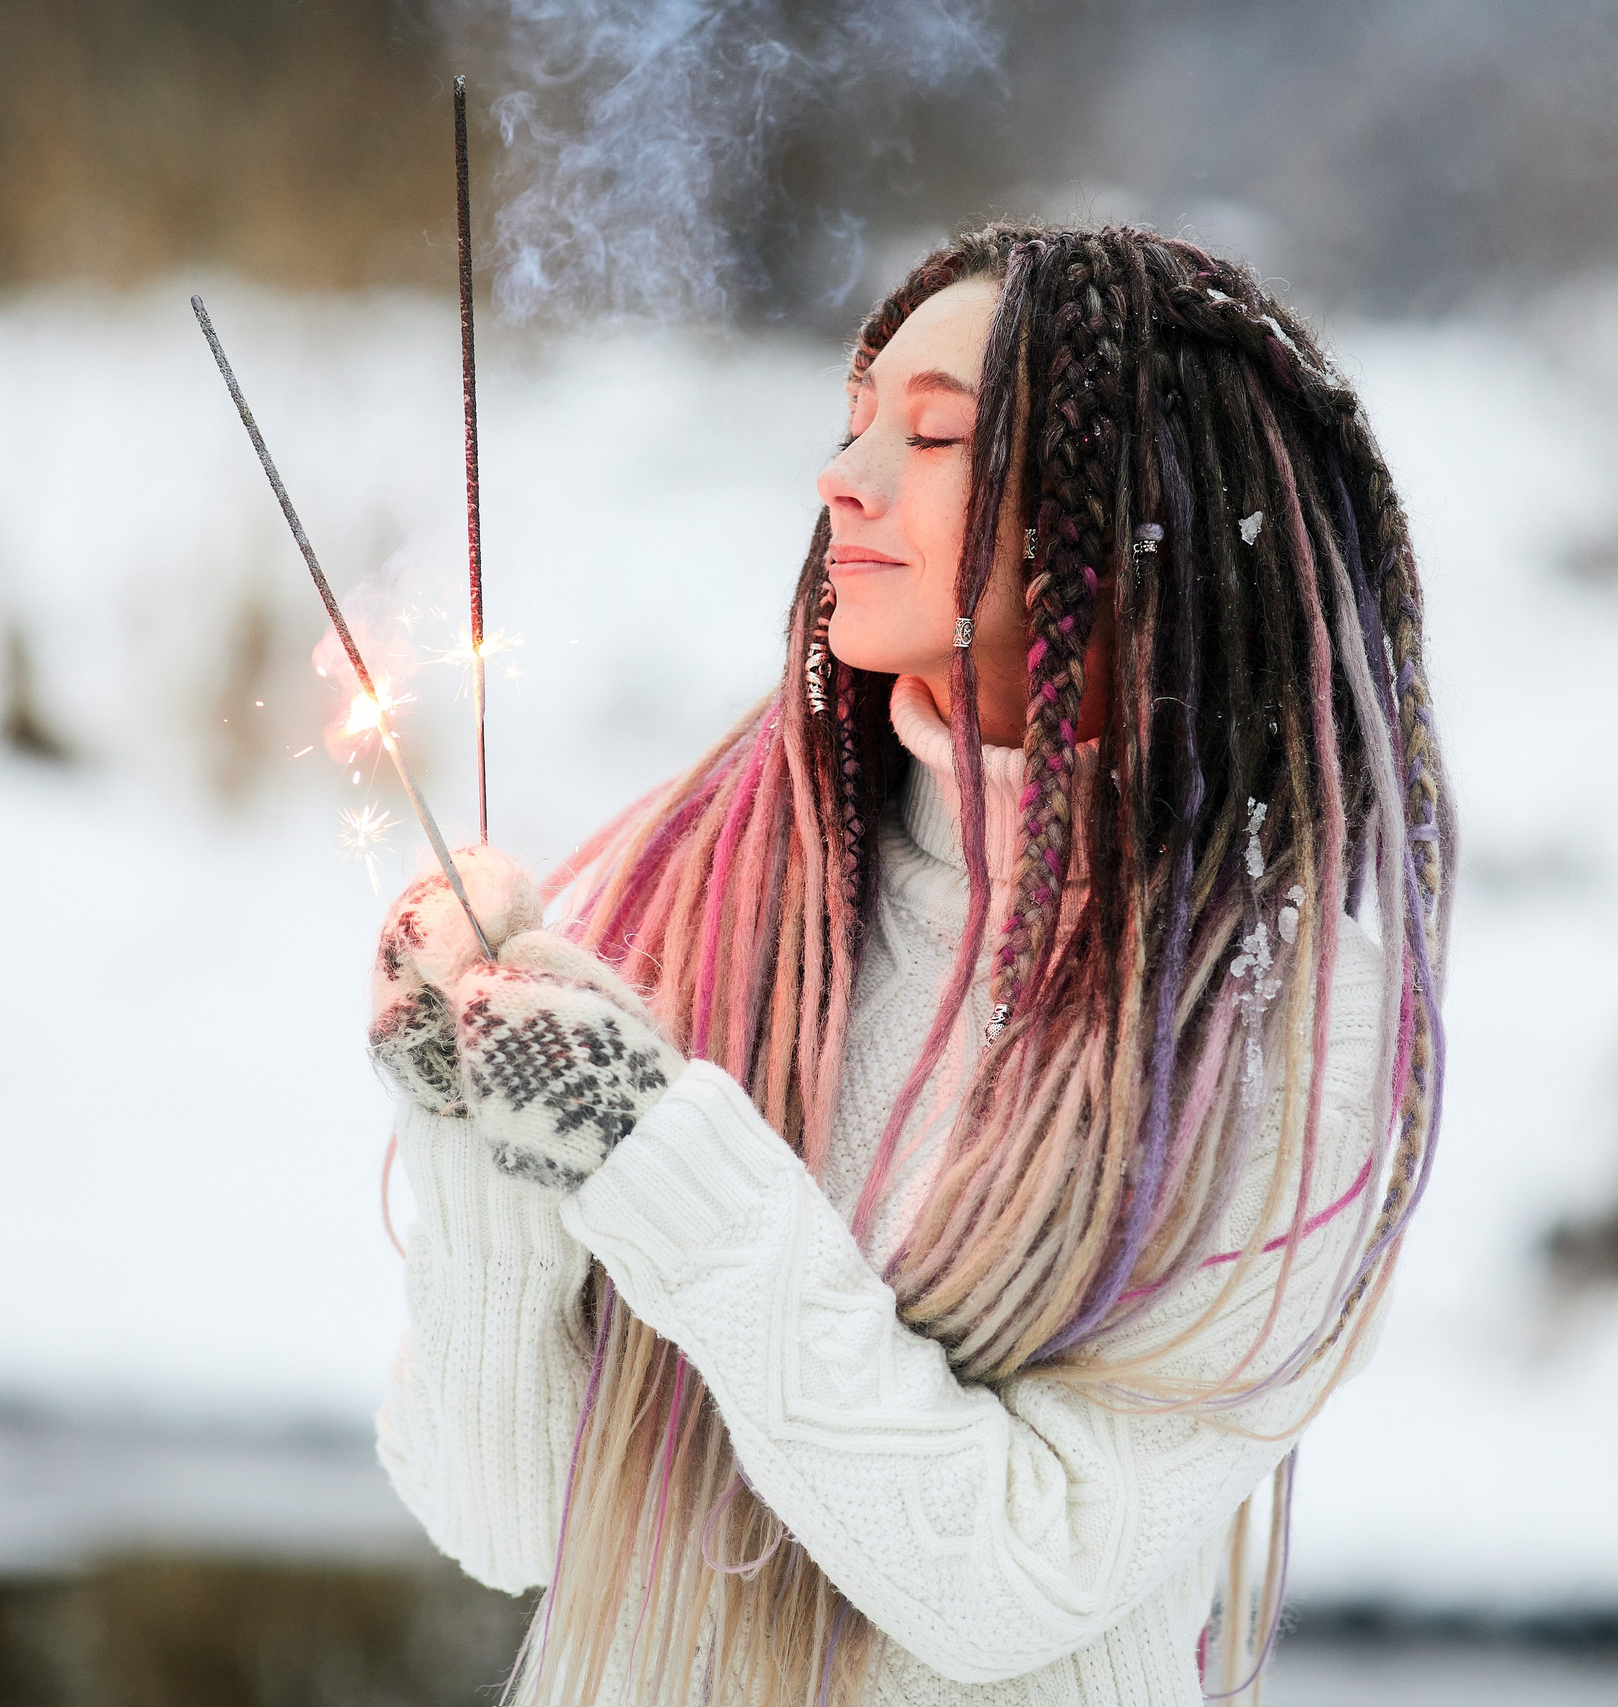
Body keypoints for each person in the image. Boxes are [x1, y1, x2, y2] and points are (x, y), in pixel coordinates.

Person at [369, 224, 1454, 1707]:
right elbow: (500, 1518)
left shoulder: (1279, 1020)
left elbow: (1005, 1579)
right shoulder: (717, 899)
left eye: (932, 432)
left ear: (1129, 514)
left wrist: (657, 1153)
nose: (845, 475)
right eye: (857, 416)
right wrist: (479, 1139)